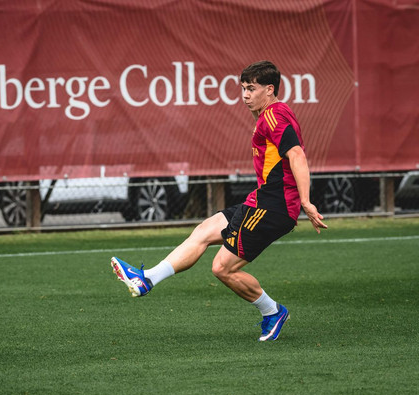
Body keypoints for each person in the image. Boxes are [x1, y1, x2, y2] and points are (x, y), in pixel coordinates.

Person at [111, 61, 327, 341]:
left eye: (252, 89)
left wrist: (306, 202)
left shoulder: (274, 115)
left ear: (270, 89)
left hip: (273, 207)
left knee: (222, 268)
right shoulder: (269, 115)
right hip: (260, 202)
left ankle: (273, 311)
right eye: (243, 88)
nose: (245, 95)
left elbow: (296, 154)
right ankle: (147, 279)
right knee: (203, 231)